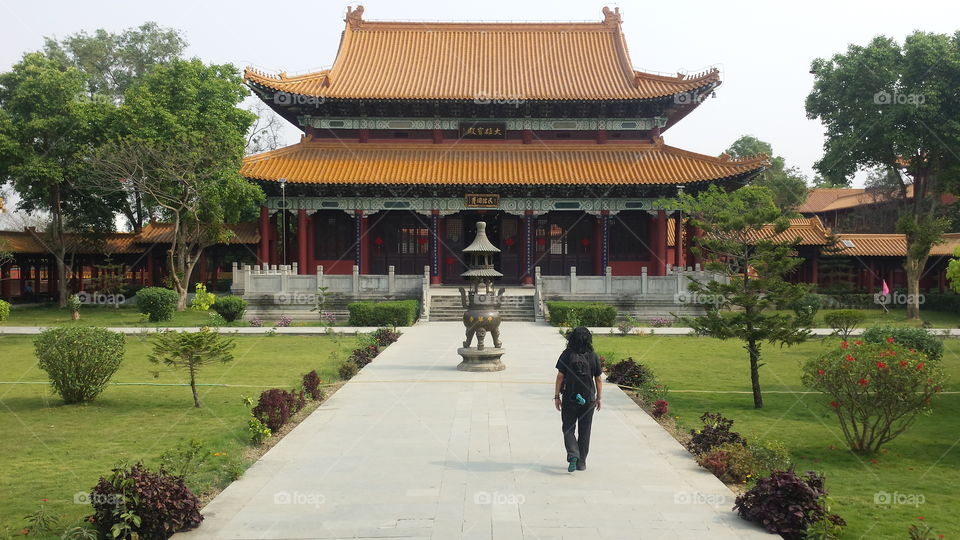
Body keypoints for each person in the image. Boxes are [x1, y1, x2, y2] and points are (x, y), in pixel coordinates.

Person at [554, 326, 602, 472]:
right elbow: (598, 379)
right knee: (585, 430)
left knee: (568, 428)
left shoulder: (566, 354)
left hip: (570, 397)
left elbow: (560, 376)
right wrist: (599, 398)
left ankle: (573, 454)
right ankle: (581, 463)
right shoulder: (593, 356)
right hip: (588, 399)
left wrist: (556, 396)